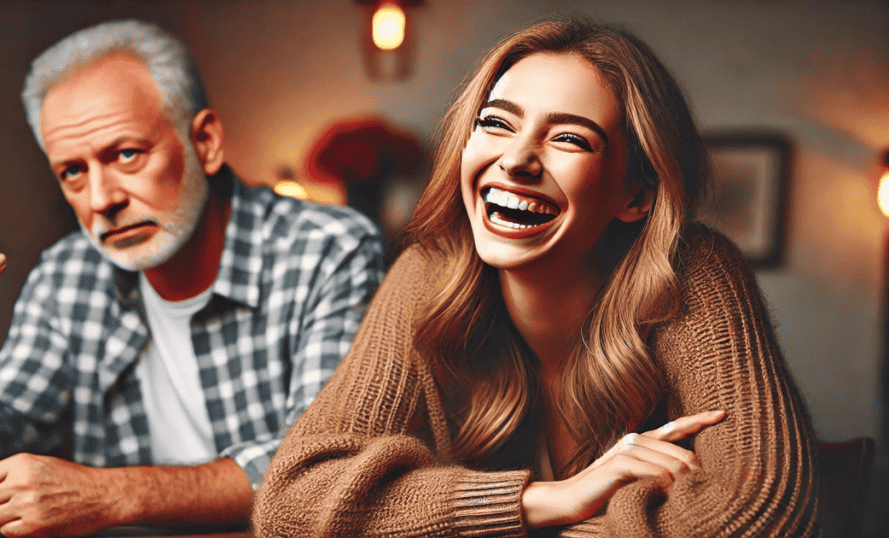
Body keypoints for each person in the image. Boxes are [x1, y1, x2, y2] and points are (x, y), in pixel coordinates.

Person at [253, 15, 818, 537]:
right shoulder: (428, 272)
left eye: (569, 137)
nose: (517, 159)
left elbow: (762, 508)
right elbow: (291, 503)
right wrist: (545, 501)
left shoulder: (692, 268)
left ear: (635, 196)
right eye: (496, 124)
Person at [0, 19, 384, 537]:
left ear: (205, 142)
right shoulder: (69, 274)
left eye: (126, 154)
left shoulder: (327, 250)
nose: (101, 200)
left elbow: (323, 468)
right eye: (73, 171)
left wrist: (109, 495)